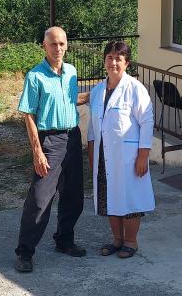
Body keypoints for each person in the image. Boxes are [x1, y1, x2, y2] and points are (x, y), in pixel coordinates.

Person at [14, 26, 90, 273]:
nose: (58, 48)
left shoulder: (71, 72)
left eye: (62, 44)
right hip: (50, 143)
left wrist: (97, 93)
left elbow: (69, 99)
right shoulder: (35, 76)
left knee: (73, 196)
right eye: (53, 44)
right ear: (44, 46)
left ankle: (64, 241)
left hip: (73, 138)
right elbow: (29, 115)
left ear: (67, 45)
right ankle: (25, 252)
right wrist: (37, 151)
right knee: (39, 200)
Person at [86, 41, 154, 259]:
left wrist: (143, 155)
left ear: (127, 63)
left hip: (129, 157)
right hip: (103, 155)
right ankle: (116, 240)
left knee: (130, 198)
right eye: (109, 57)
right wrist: (91, 154)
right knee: (109, 197)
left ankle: (131, 242)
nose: (113, 62)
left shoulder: (135, 88)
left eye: (118, 58)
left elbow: (147, 121)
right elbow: (93, 127)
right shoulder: (97, 91)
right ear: (104, 60)